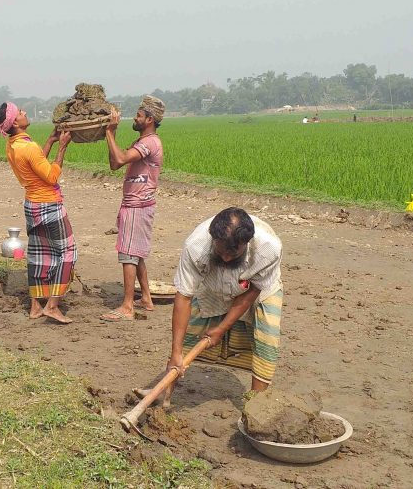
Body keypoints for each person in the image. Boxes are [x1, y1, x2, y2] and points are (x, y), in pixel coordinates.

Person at [138, 207, 283, 406]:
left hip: (259, 291)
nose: (225, 258)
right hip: (213, 285)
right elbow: (184, 297)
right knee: (188, 334)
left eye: (233, 253)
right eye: (221, 251)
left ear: (246, 243)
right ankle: (163, 393)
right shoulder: (196, 246)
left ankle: (256, 405)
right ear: (213, 238)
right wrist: (175, 352)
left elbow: (252, 291)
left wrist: (222, 328)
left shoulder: (269, 249)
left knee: (266, 338)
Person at [0, 101, 77, 324]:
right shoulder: (27, 147)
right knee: (67, 253)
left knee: (39, 255)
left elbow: (36, 163)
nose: (24, 112)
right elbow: (50, 176)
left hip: (32, 205)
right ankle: (52, 305)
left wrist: (50, 140)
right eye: (20, 112)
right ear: (15, 123)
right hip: (49, 205)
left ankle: (35, 306)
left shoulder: (14, 145)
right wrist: (62, 147)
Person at [99, 95, 165, 322]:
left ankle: (127, 306)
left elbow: (119, 157)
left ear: (149, 119)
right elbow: (115, 164)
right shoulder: (144, 142)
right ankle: (146, 297)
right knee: (136, 252)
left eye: (138, 115)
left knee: (128, 254)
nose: (135, 119)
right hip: (136, 204)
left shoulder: (149, 143)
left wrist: (109, 131)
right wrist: (112, 134)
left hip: (137, 206)